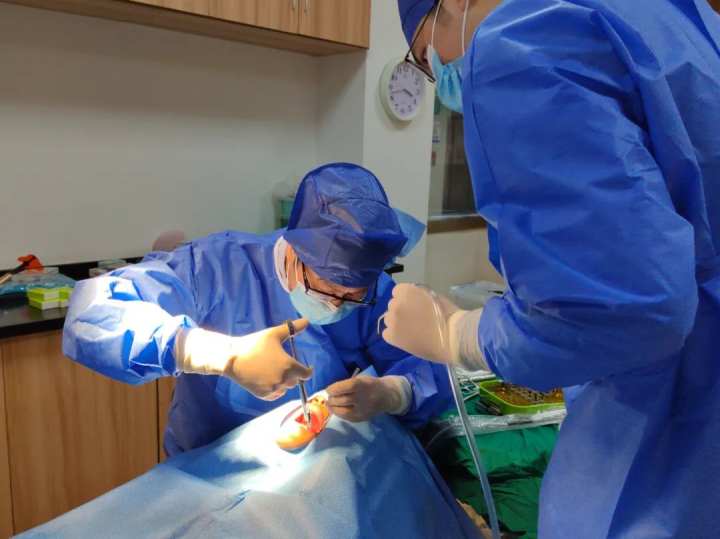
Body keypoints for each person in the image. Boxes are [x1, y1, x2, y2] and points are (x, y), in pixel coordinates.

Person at [386, 1, 720, 538]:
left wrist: (460, 334)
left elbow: (620, 312)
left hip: (673, 443)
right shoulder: (671, 17)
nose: (440, 73)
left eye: (426, 56)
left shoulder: (526, 42)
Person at [63, 162, 451, 456]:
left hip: (317, 472)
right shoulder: (217, 268)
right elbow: (92, 313)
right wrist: (217, 354)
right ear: (294, 249)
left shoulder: (371, 289)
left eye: (352, 296)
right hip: (209, 471)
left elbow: (427, 365)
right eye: (325, 288)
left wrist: (393, 392)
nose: (337, 304)